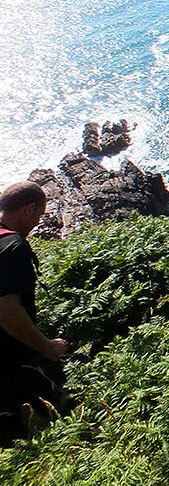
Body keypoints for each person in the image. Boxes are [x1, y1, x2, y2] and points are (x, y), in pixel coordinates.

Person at [0, 181, 68, 446]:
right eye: (39, 216)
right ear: (29, 210)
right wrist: (46, 346)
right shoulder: (13, 245)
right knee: (19, 435)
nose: (38, 223)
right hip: (5, 363)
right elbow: (6, 311)